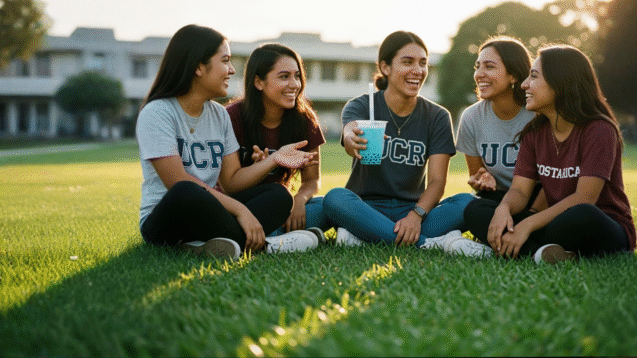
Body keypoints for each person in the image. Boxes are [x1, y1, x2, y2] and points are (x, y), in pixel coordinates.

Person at [136, 24, 319, 259]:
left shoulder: (219, 115)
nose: (231, 70)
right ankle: (267, 246)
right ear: (198, 67)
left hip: (211, 213)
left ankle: (207, 244)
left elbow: (231, 182)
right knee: (186, 191)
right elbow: (176, 181)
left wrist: (273, 159)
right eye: (225, 61)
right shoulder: (158, 112)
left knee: (279, 194)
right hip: (169, 217)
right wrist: (241, 211)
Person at [449, 44, 636, 263]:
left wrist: (527, 224)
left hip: (597, 222)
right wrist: (504, 208)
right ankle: (544, 254)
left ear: (560, 83)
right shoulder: (534, 132)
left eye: (534, 77)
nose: (525, 84)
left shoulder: (598, 130)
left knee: (583, 214)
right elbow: (519, 190)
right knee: (477, 210)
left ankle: (512, 248)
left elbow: (585, 198)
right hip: (552, 222)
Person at [322, 31, 473, 248]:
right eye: (407, 62)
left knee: (467, 203)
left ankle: (368, 236)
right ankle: (426, 243)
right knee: (335, 198)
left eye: (423, 63)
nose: (418, 70)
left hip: (412, 208)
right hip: (365, 207)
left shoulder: (437, 116)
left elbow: (438, 182)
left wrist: (416, 216)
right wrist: (350, 135)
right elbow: (350, 129)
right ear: (385, 67)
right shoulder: (363, 105)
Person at [447, 37, 541, 257]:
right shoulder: (471, 117)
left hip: (539, 200)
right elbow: (476, 174)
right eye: (477, 66)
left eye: (490, 67)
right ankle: (536, 250)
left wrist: (531, 214)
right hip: (497, 199)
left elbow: (551, 179)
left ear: (514, 75)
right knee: (472, 209)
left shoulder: (537, 114)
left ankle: (509, 241)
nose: (480, 74)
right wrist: (484, 180)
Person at [224, 43, 327, 241]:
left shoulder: (304, 119)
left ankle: (273, 237)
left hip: (283, 206)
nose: (295, 84)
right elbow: (229, 187)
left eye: (297, 76)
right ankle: (282, 239)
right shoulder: (232, 117)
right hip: (241, 207)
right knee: (279, 195)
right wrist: (264, 165)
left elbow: (312, 180)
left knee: (329, 204)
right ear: (258, 82)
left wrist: (299, 200)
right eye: (284, 76)